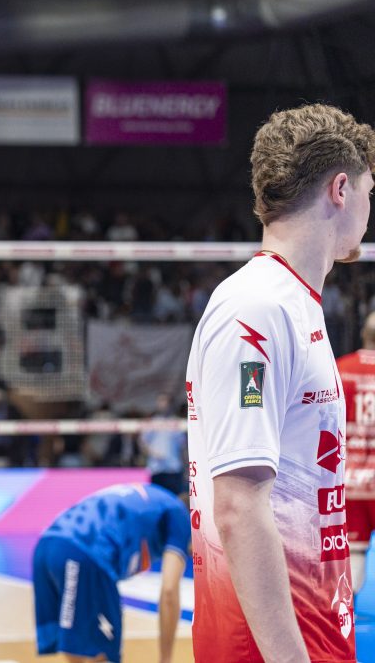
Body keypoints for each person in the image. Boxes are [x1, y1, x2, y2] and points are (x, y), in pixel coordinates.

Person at [186, 103, 374, 662]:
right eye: (370, 191)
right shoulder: (258, 308)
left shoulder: (292, 302)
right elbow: (239, 505)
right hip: (272, 648)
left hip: (313, 630)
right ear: (341, 189)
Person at [33, 482, 189, 663]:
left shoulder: (156, 499)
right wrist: (166, 659)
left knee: (76, 643)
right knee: (103, 652)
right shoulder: (180, 515)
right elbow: (169, 590)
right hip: (84, 551)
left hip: (46, 545)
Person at [338, 311, 375, 592]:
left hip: (349, 482)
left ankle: (346, 613)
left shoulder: (340, 370)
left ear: (363, 334)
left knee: (354, 556)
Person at [139, 393, 187, 496]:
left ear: (171, 404)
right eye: (160, 401)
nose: (163, 404)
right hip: (156, 469)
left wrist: (186, 468)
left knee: (174, 498)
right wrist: (152, 453)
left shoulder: (177, 423)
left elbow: (182, 447)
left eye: (165, 401)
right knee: (156, 499)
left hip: (173, 468)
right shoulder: (151, 422)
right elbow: (143, 443)